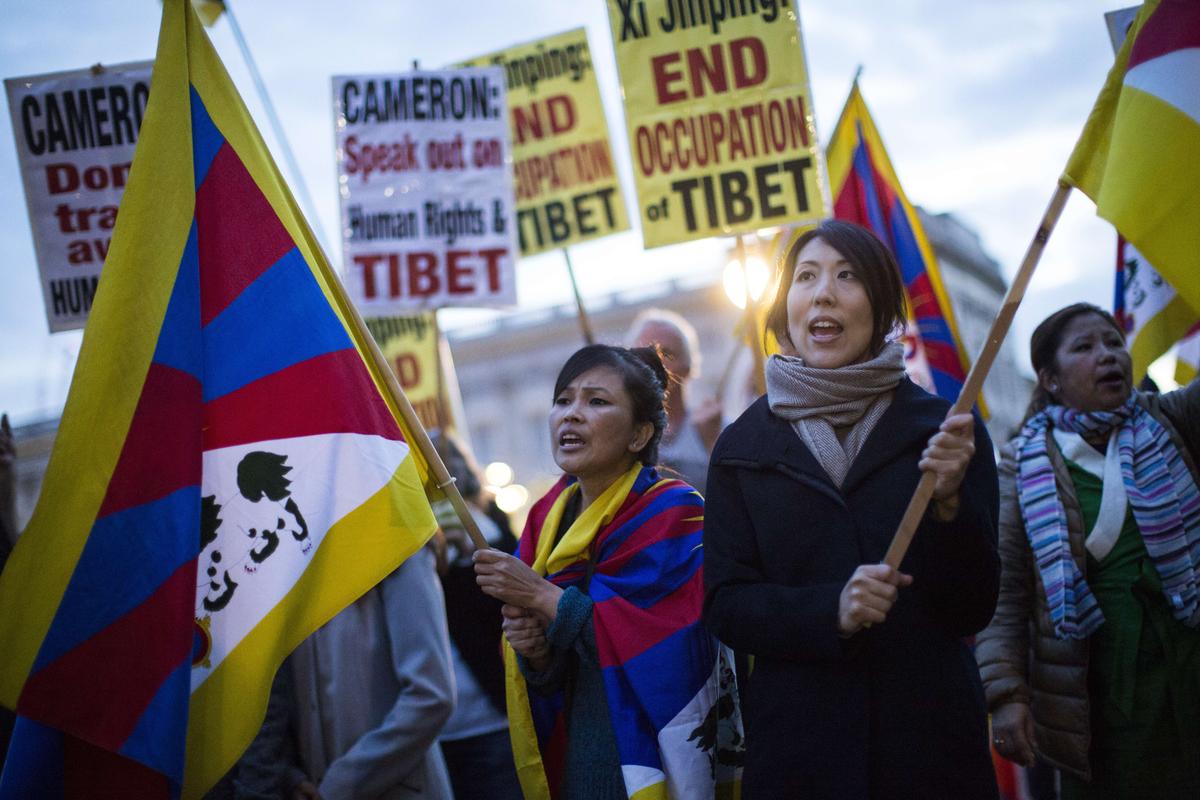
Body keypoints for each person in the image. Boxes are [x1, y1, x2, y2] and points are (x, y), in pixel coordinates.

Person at [703, 220, 1001, 798]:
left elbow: (975, 605)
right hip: (802, 753)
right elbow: (727, 604)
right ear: (784, 307)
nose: (823, 294)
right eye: (806, 277)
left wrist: (949, 507)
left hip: (930, 749)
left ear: (884, 307)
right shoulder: (742, 447)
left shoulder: (944, 431)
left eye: (848, 277)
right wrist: (828, 611)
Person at [473, 344, 742, 800]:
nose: (571, 415)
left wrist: (540, 595)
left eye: (596, 402)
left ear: (639, 435)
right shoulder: (545, 517)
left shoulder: (674, 512)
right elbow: (556, 672)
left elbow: (667, 655)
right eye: (564, 400)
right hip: (578, 763)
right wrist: (535, 654)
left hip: (651, 761)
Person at [975, 303, 1200, 798]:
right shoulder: (1020, 467)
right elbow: (1006, 592)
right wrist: (1007, 696)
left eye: (1114, 342)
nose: (1108, 355)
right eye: (1085, 347)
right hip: (1101, 702)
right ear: (1050, 380)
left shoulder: (1173, 420)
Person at [287, 542, 456, 799]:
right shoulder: (295, 560)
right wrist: (291, 776)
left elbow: (431, 696)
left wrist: (341, 783)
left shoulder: (400, 550)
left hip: (397, 789)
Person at [430, 431, 523, 800]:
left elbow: (509, 598)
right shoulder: (410, 536)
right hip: (437, 728)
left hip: (492, 714)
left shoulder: (489, 522)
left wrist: (464, 561)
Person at [629, 309, 721, 491]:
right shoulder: (618, 437)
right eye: (643, 354)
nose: (653, 363)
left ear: (689, 367)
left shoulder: (717, 428)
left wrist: (713, 444)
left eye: (666, 353)